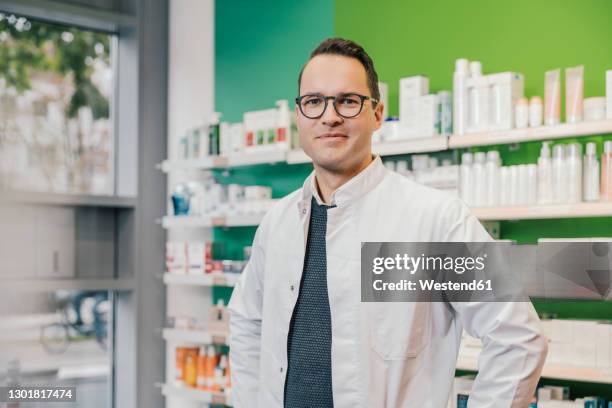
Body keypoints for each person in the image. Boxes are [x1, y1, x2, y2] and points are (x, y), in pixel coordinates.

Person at [228, 37, 547, 408]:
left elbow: (517, 338)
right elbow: (247, 322)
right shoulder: (278, 222)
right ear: (299, 116)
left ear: (377, 115)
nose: (329, 116)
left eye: (348, 101)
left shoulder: (433, 220)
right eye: (314, 102)